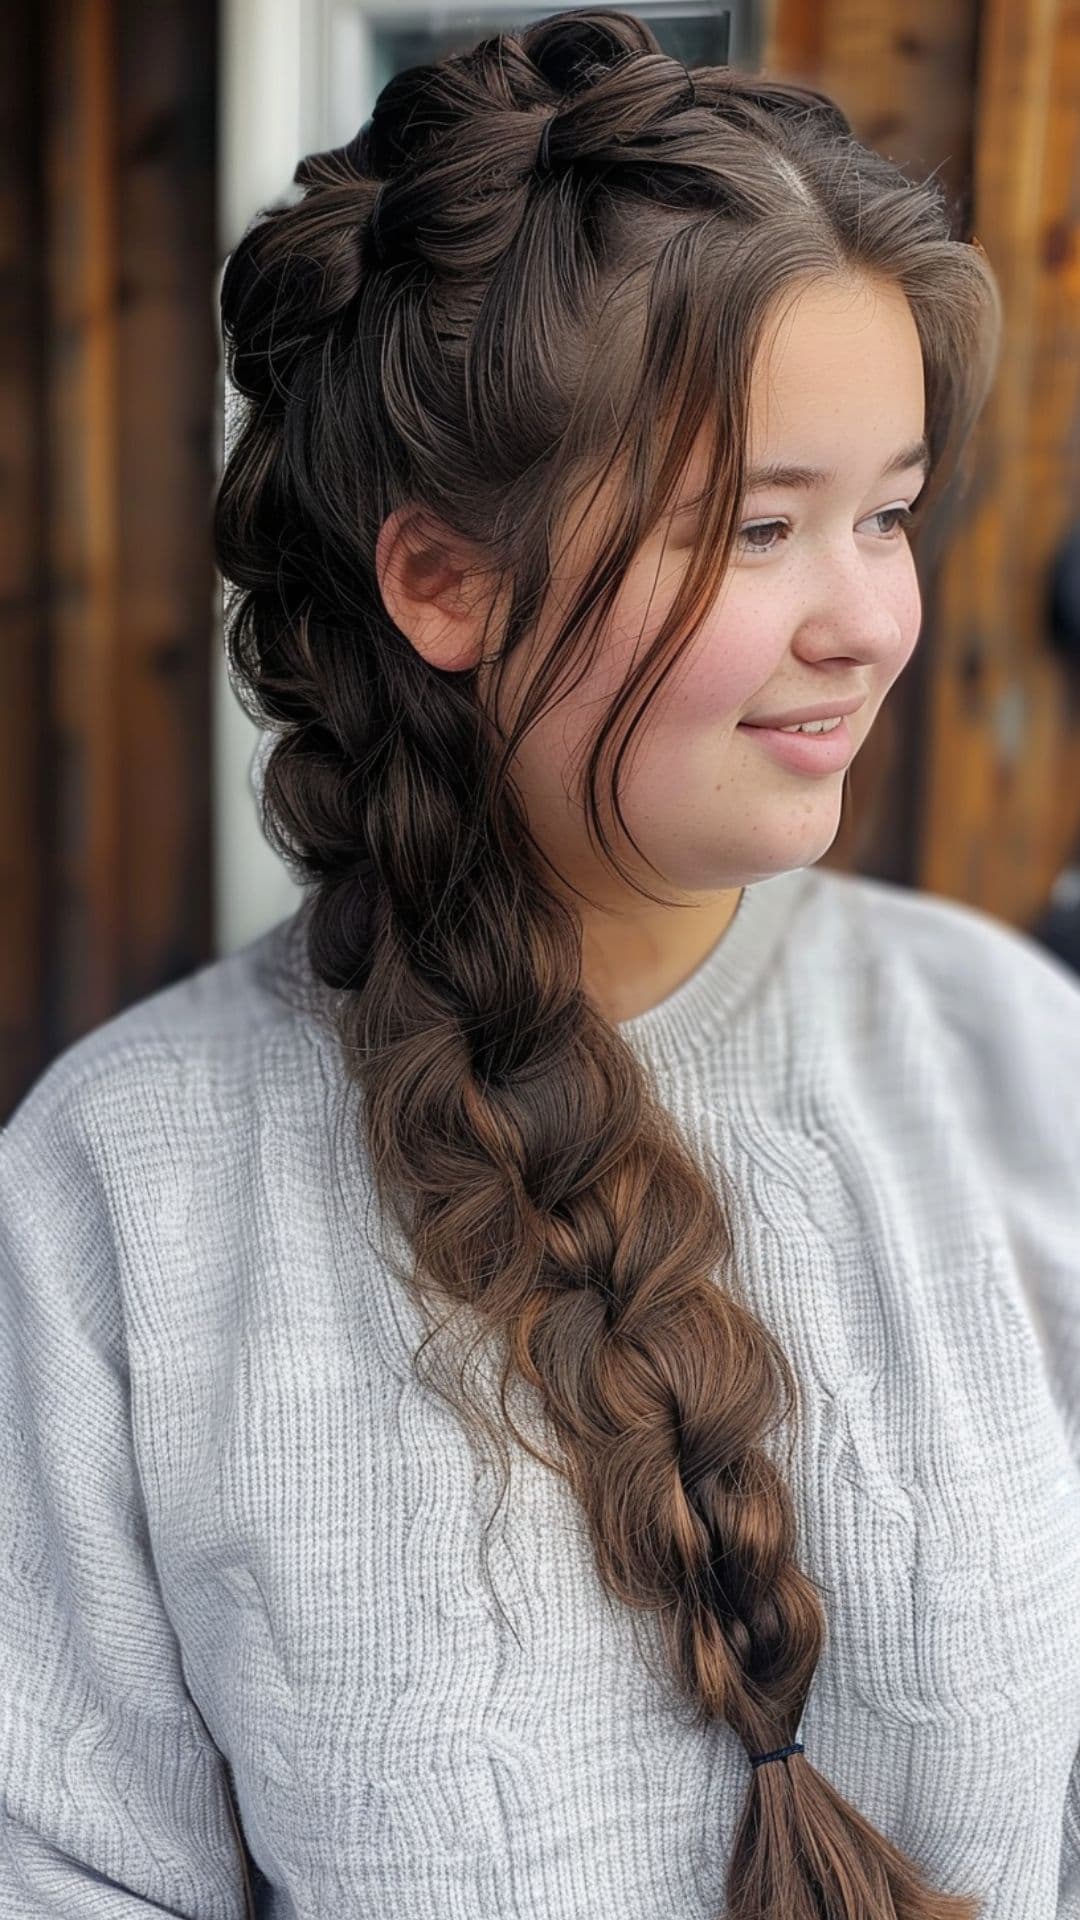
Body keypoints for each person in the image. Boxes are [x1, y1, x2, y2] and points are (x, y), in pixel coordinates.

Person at [2, 8, 1078, 1916]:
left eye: (891, 515)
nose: (868, 622)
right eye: (759, 528)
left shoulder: (1008, 1059)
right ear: (443, 583)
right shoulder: (127, 1193)